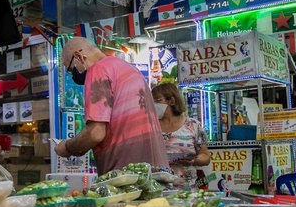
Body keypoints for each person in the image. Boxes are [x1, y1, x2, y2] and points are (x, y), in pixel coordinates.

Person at [54, 36, 168, 173]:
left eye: (71, 69)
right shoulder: (127, 68)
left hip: (127, 175)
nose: (73, 75)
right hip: (156, 169)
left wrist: (67, 147)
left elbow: (95, 133)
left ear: (78, 56)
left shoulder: (98, 70)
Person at [151, 83, 211, 184]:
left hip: (187, 190)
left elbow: (205, 156)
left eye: (157, 100)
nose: (154, 105)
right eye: (151, 101)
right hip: (157, 189)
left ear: (171, 101)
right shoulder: (150, 127)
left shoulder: (193, 125)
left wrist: (194, 160)